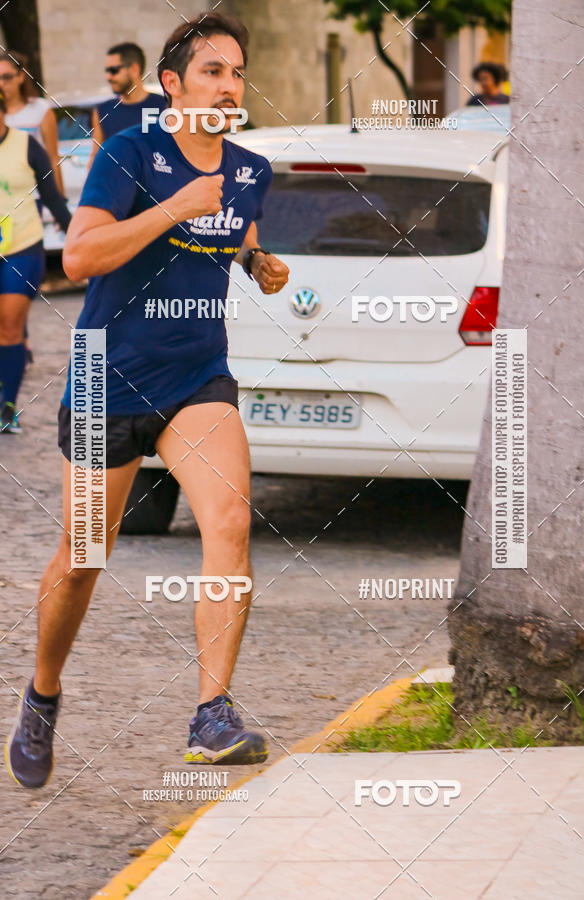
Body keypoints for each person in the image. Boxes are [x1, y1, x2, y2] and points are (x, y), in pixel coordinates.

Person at [6, 12, 289, 789]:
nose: (229, 87)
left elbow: (233, 238)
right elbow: (80, 252)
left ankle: (211, 713)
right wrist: (173, 207)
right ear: (173, 83)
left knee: (229, 520)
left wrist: (259, 261)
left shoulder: (249, 169)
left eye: (236, 73)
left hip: (197, 374)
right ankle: (42, 694)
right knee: (84, 558)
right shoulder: (130, 151)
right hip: (106, 374)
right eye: (212, 72)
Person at [0, 88, 71, 434]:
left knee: (11, 327)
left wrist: (78, 237)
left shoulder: (27, 146)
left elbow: (53, 199)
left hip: (22, 248)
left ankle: (7, 408)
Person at [88, 42, 167, 167]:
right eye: (107, 71)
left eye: (114, 70)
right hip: (117, 184)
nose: (108, 77)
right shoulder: (103, 110)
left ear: (134, 69)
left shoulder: (165, 106)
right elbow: (96, 156)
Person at [0, 51, 64, 195]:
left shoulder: (40, 109)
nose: (1, 83)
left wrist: (60, 197)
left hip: (36, 195)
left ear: (21, 76)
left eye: (7, 77)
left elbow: (53, 157)